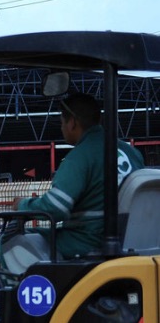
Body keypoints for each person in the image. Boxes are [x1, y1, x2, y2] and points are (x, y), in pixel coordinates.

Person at [11, 93, 144, 261]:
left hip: (89, 241)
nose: (61, 128)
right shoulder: (132, 153)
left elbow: (55, 208)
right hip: (131, 241)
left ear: (72, 123)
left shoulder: (79, 157)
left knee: (13, 240)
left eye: (62, 122)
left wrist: (22, 205)